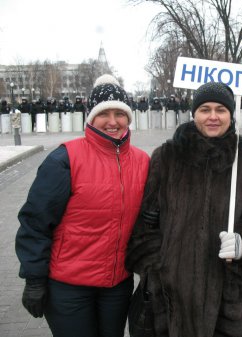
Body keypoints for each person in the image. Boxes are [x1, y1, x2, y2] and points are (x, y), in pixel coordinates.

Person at [125, 81, 242, 337]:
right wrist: (158, 267)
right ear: (194, 113)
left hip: (224, 296)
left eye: (220, 110)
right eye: (205, 109)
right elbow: (146, 224)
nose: (213, 116)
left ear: (230, 114)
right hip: (170, 300)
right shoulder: (167, 157)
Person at [15, 74, 150, 337]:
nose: (113, 122)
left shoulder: (143, 162)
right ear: (91, 117)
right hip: (69, 287)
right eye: (104, 114)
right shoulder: (65, 158)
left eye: (120, 114)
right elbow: (35, 221)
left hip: (116, 285)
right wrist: (34, 278)